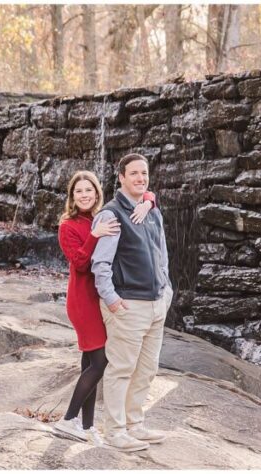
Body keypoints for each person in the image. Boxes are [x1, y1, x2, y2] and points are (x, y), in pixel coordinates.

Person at [53, 170, 156, 445]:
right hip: (83, 301)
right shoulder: (69, 225)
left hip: (98, 299)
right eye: (79, 191)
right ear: (72, 197)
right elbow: (80, 263)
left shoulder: (101, 216)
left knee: (89, 361)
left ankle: (86, 427)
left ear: (97, 193)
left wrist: (149, 201)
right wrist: (94, 235)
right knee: (101, 362)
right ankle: (68, 419)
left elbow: (144, 192)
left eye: (89, 190)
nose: (84, 195)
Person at [91, 153, 172, 452]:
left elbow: (162, 254)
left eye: (144, 173)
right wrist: (112, 301)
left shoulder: (152, 211)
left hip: (156, 303)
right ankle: (115, 431)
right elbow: (100, 265)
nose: (140, 178)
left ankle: (135, 425)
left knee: (146, 369)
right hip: (128, 305)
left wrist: (167, 290)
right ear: (122, 177)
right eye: (134, 173)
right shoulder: (111, 215)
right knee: (121, 369)